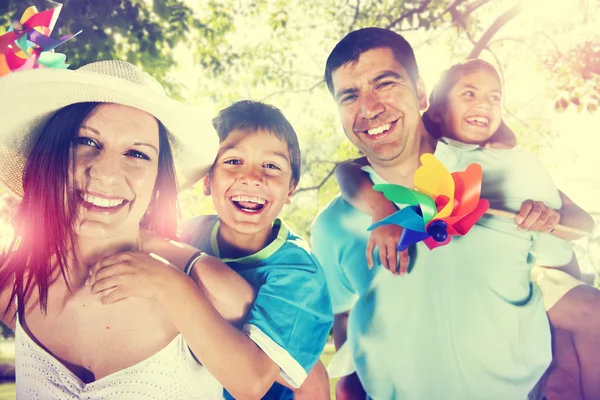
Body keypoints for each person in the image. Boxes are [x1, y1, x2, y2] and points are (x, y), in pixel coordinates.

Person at [310, 27, 579, 399]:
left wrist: (565, 370)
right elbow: (343, 313)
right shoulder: (331, 226)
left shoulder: (513, 173)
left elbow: (568, 279)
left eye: (384, 84)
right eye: (350, 96)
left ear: (421, 93)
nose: (369, 109)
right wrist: (349, 383)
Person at [0, 60, 258, 399]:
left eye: (136, 153)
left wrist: (171, 284)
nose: (105, 174)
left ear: (157, 182)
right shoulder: (12, 286)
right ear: (50, 155)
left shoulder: (208, 292)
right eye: (86, 142)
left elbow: (254, 384)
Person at [178, 100, 334, 400]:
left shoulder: (300, 275)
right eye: (234, 161)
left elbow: (310, 385)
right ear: (207, 179)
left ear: (291, 189)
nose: (252, 177)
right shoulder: (186, 234)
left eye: (271, 166)